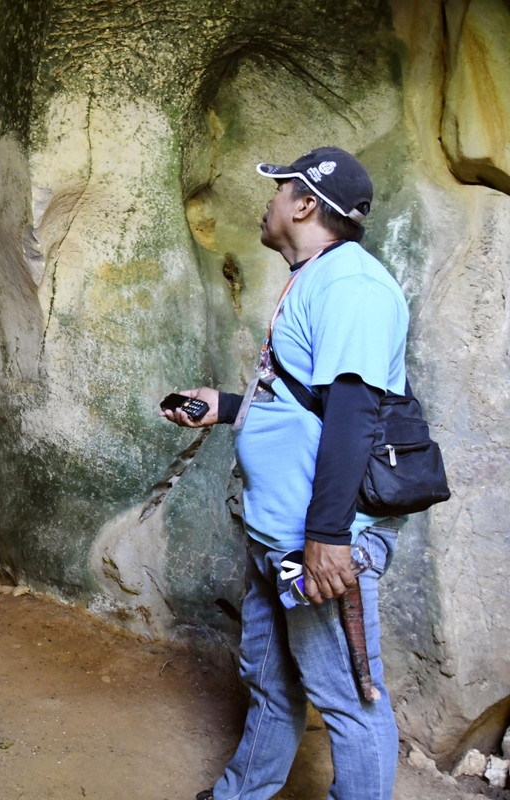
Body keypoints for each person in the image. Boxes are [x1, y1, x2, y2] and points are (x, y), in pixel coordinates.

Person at [162, 147, 408, 800]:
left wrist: (326, 537)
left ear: (304, 205)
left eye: (280, 189)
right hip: (280, 535)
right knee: (270, 683)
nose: (268, 201)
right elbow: (302, 403)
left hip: (316, 543)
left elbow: (354, 416)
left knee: (351, 704)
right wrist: (224, 407)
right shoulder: (318, 279)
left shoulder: (352, 287)